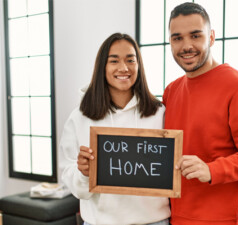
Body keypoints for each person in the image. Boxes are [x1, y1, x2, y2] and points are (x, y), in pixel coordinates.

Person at [163, 3, 238, 225]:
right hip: (176, 217)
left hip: (222, 219)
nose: (186, 46)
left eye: (195, 36)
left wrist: (211, 169)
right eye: (177, 38)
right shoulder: (171, 90)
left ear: (211, 37)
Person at [59, 33, 170, 225]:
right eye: (114, 61)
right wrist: (83, 173)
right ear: (102, 67)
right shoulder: (80, 117)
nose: (123, 68)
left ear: (139, 65)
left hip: (154, 221)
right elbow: (69, 177)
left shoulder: (159, 113)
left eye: (130, 60)